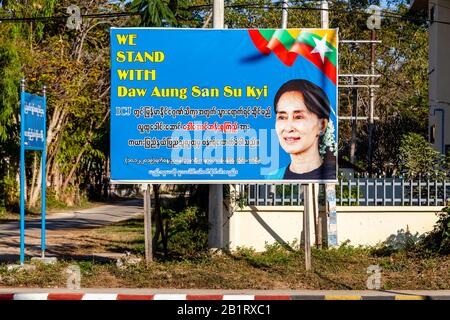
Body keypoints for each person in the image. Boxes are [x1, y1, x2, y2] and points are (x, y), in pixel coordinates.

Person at [266, 79, 336, 180]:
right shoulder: (271, 177)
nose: (288, 128)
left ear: (322, 125)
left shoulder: (332, 177)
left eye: (298, 117)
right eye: (282, 117)